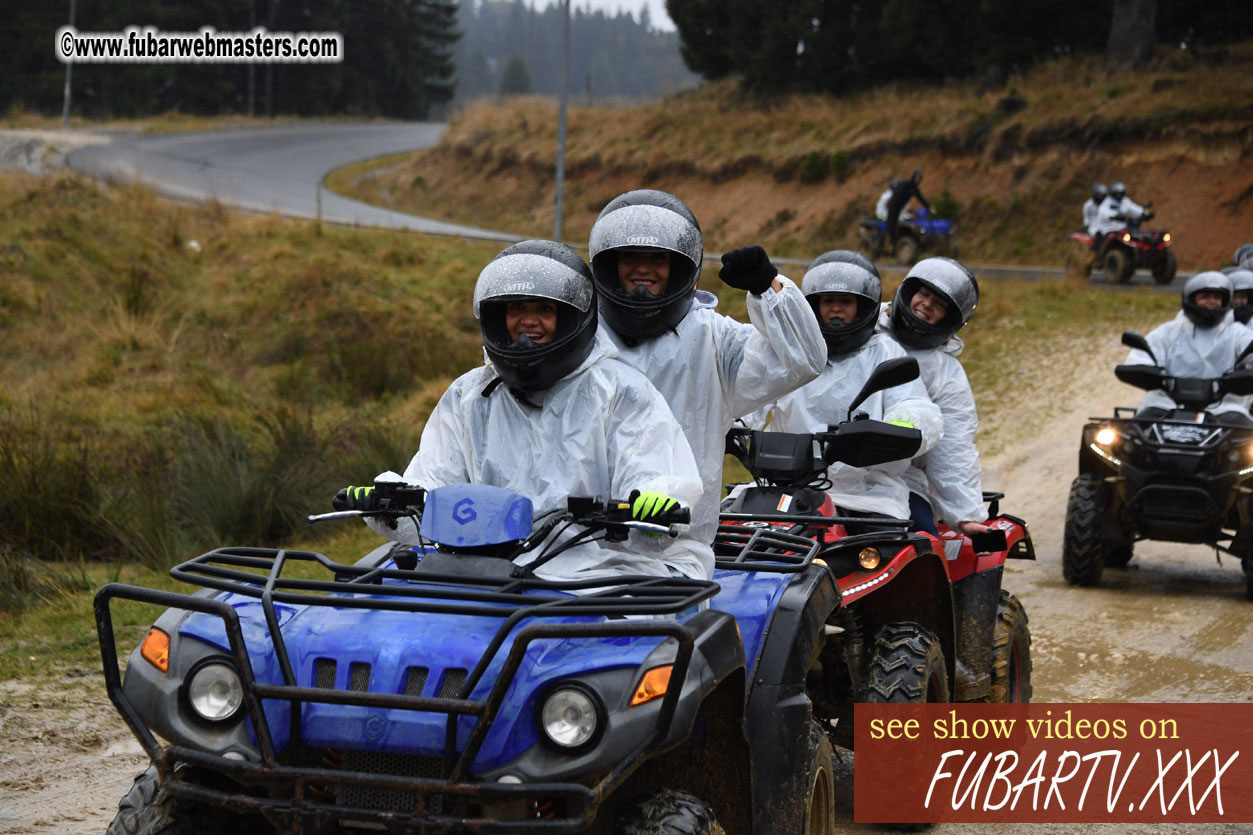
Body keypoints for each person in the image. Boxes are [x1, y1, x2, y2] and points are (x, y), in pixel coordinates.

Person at [337, 240, 713, 582]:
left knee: (626, 648)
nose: (528, 321)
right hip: (482, 570)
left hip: (596, 575)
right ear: (498, 316)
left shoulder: (619, 391)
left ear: (571, 319)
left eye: (544, 309)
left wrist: (652, 504)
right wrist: (390, 501)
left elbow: (656, 472)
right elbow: (433, 479)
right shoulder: (471, 394)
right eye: (517, 308)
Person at [588, 189, 826, 556]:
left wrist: (768, 288)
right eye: (630, 256)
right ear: (609, 264)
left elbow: (802, 359)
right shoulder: (580, 337)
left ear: (680, 267)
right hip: (578, 548)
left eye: (658, 258)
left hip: (678, 552)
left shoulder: (715, 340)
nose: (643, 268)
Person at [747, 252, 943, 522]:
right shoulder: (793, 351)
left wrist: (897, 430)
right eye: (828, 301)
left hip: (867, 491)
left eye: (846, 302)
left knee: (892, 549)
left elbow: (913, 404)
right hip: (782, 485)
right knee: (725, 533)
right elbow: (750, 394)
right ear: (813, 306)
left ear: (864, 307)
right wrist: (732, 422)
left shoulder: (884, 351)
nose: (836, 309)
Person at [878, 257, 989, 537]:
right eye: (923, 294)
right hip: (825, 471)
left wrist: (964, 515)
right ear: (907, 291)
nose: (926, 304)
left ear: (951, 318)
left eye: (939, 304)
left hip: (899, 479)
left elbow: (953, 443)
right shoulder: (862, 332)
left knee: (920, 541)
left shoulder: (945, 372)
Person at [1125, 270, 1253, 426]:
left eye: (1217, 297)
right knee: (1128, 438)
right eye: (1205, 297)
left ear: (1225, 301)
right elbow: (1141, 357)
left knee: (1246, 440)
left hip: (1223, 407)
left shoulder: (1236, 332)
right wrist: (1146, 371)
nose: (1212, 301)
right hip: (1166, 403)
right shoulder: (1168, 331)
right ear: (1191, 300)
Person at [884, 170, 930, 254]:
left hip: (899, 208)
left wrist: (928, 207)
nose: (918, 180)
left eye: (919, 178)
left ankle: (893, 244)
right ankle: (888, 244)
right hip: (894, 205)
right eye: (917, 178)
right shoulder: (906, 184)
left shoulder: (914, 188)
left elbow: (920, 198)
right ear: (913, 177)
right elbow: (897, 195)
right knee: (891, 224)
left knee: (896, 224)